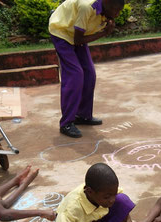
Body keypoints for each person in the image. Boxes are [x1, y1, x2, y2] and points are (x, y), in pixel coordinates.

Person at [49, 0, 125, 138]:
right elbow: (78, 40)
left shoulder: (104, 11)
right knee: (75, 75)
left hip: (75, 34)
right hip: (62, 32)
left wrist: (107, 21)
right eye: (115, 10)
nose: (117, 14)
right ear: (106, 3)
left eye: (119, 11)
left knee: (89, 74)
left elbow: (80, 38)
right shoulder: (87, 7)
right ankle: (66, 123)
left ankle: (83, 115)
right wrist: (104, 33)